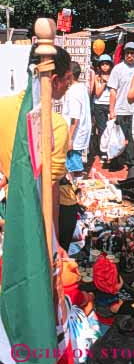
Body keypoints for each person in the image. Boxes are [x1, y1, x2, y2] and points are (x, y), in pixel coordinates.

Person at [0, 45, 74, 250]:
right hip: (43, 216)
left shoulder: (1, 108)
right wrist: (54, 244)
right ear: (54, 80)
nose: (70, 83)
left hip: (14, 208)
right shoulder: (55, 124)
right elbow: (50, 190)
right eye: (67, 77)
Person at [107, 42, 134, 172]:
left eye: (132, 53)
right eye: (127, 53)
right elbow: (113, 90)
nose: (130, 55)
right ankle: (116, 160)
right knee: (117, 137)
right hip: (120, 109)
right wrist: (112, 110)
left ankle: (132, 163)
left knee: (132, 138)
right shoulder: (117, 69)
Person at [63, 61, 92, 177]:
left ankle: (76, 188)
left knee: (74, 164)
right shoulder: (82, 88)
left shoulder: (73, 92)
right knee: (74, 162)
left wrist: (69, 139)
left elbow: (75, 118)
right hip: (79, 133)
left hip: (75, 135)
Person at [93, 54, 113, 159]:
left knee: (111, 128)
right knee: (101, 128)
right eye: (103, 64)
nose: (105, 66)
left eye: (107, 64)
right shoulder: (97, 77)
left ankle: (111, 149)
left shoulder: (114, 76)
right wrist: (104, 83)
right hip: (99, 105)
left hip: (110, 104)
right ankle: (102, 151)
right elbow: (97, 93)